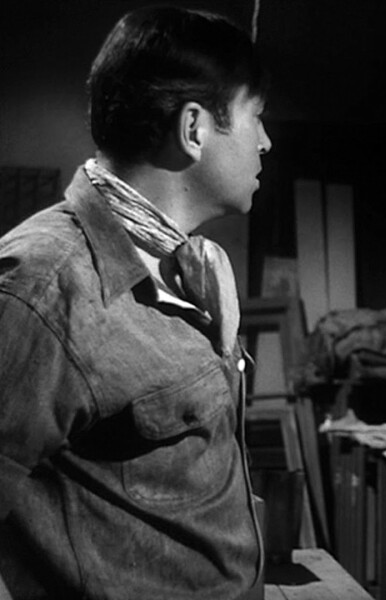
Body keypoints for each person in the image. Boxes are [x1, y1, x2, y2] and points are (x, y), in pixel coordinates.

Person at [0, 6, 271, 599]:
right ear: (194, 129)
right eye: (256, 117)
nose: (266, 142)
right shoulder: (43, 286)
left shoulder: (185, 268)